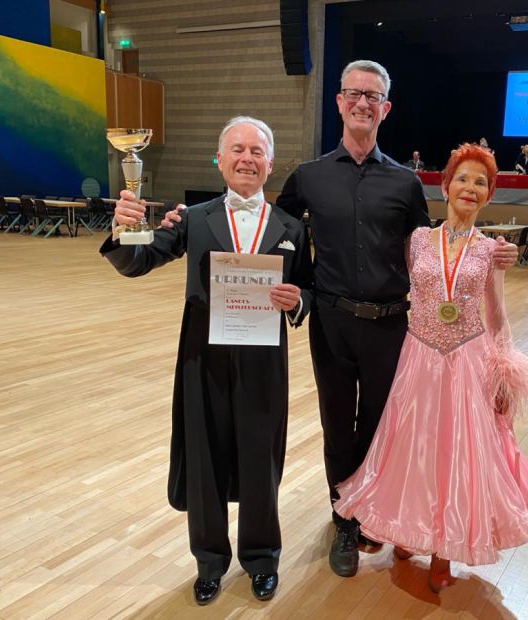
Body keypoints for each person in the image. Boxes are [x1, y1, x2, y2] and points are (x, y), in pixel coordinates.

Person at [162, 60, 518, 580]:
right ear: (339, 102)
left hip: (391, 325)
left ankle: (372, 510)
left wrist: (490, 251)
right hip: (330, 323)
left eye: (373, 96)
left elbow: (432, 246)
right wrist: (186, 220)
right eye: (354, 94)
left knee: (378, 426)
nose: (363, 103)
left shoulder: (403, 182)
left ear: (385, 108)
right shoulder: (307, 177)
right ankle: (344, 521)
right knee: (336, 429)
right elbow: (271, 231)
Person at [101, 116, 313, 606]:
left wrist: (297, 299)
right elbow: (140, 262)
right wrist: (124, 228)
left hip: (264, 357)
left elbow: (311, 290)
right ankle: (210, 562)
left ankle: (261, 558)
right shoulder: (192, 218)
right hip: (203, 353)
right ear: (219, 160)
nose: (246, 158)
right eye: (236, 149)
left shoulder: (290, 228)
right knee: (205, 457)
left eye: (256, 151)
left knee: (262, 457)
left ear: (270, 163)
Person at [334, 143, 528, 593]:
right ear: (445, 186)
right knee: (412, 450)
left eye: (481, 183)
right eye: (463, 179)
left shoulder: (493, 250)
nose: (470, 188)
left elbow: (497, 313)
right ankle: (405, 530)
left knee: (457, 455)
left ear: (489, 195)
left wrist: (505, 370)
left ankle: (443, 549)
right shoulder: (417, 240)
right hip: (418, 356)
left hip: (468, 362)